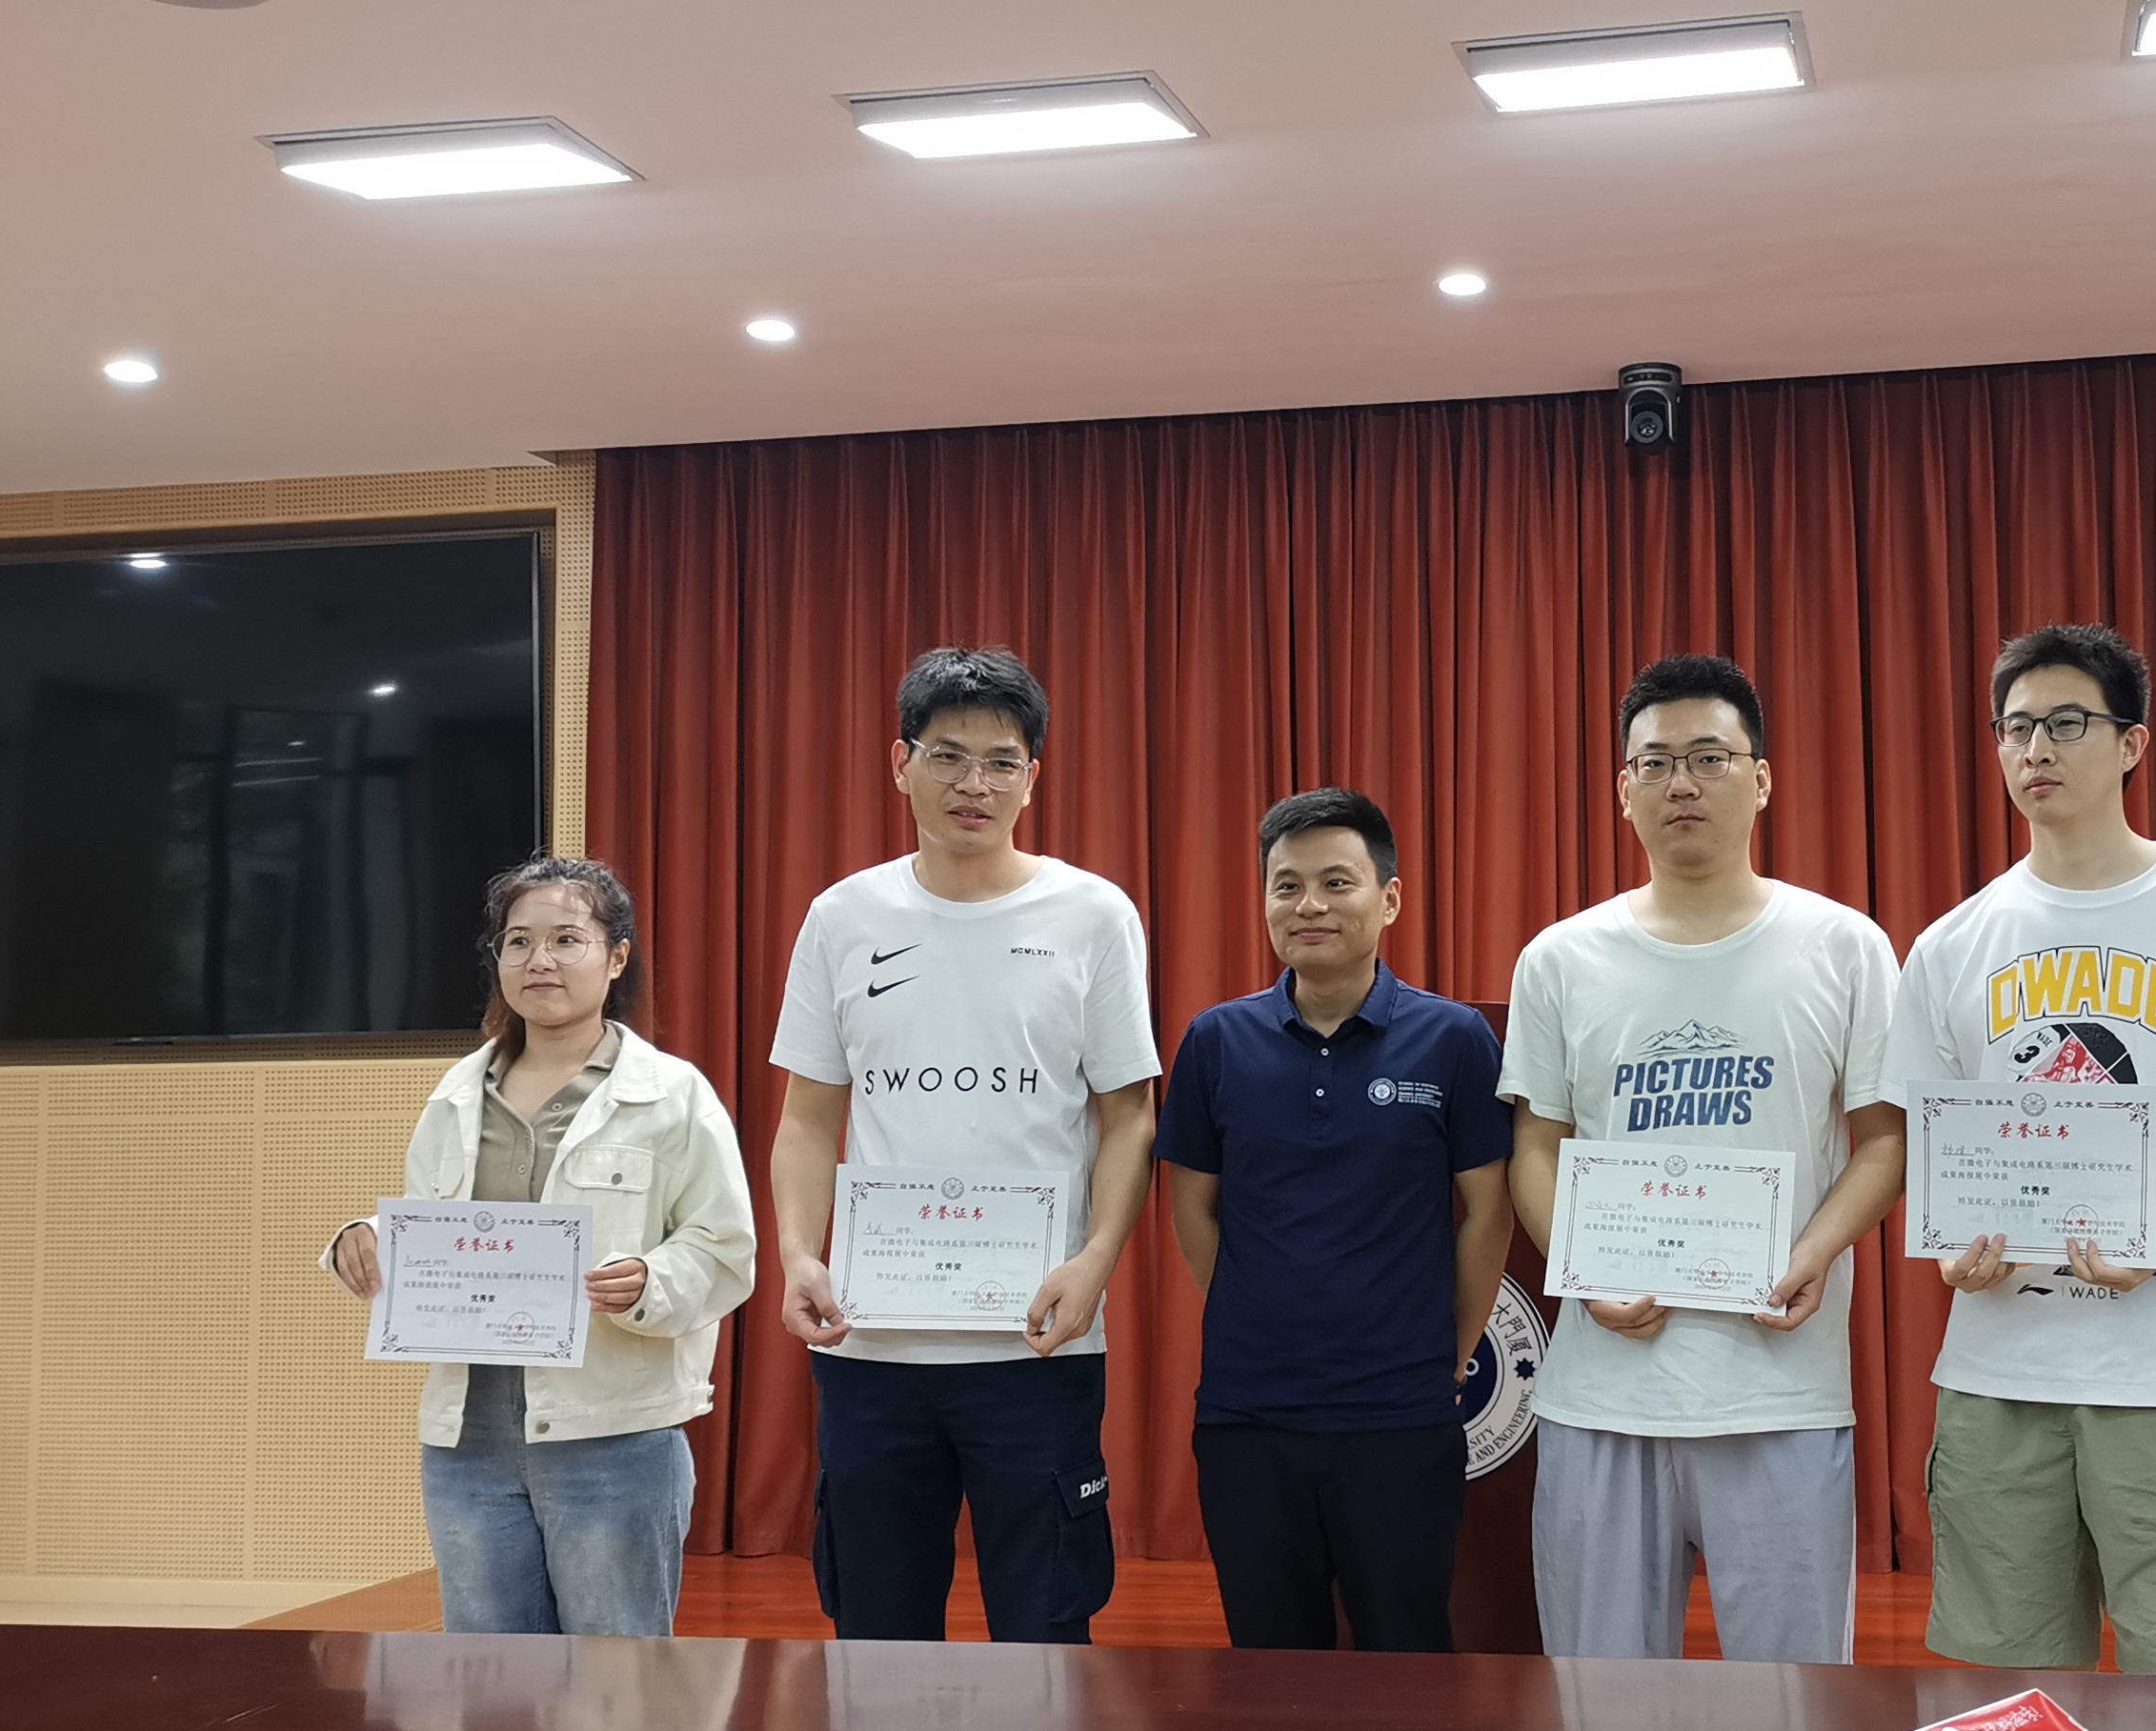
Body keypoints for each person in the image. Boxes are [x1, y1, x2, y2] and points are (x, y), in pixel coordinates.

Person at [1885, 622, 2156, 1678]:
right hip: (1999, 1377)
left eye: (2066, 723)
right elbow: (1929, 1147)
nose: (2034, 748)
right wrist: (1952, 1251)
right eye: (2014, 728)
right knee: (2007, 1705)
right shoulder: (1950, 944)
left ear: (2131, 744)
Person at [1499, 654, 1904, 1664]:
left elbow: (1885, 1139)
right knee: (1597, 1703)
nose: (1681, 782)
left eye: (1709, 758)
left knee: (1795, 1703)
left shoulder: (1843, 945)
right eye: (1656, 762)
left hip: (1778, 1388)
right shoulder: (1560, 957)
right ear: (1623, 789)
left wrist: (1814, 1250)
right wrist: (1582, 1272)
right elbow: (1534, 1149)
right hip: (1602, 1391)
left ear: (1759, 779)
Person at [767, 646, 1161, 1643]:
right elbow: (807, 1116)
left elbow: (1129, 1113)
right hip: (872, 1341)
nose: (972, 784)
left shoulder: (1091, 914)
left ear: (1034, 777)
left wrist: (1095, 1260)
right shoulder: (843, 916)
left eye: (1000, 761)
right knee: (875, 1628)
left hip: (1034, 1338)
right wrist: (800, 1254)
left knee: (1045, 1627)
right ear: (900, 763)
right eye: (947, 755)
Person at [323, 855, 755, 1636]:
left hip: (613, 1431)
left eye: (566, 939)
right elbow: (444, 1228)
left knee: (616, 1675)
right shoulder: (455, 1094)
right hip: (469, 1439)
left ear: (616, 957)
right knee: (490, 1677)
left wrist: (650, 1280)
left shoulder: (672, 1094)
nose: (539, 960)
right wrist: (371, 1238)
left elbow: (724, 1248)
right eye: (518, 942)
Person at [1156, 787, 1516, 1650]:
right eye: (1286, 886)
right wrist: (1255, 1308)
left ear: (1388, 899)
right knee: (1269, 1659)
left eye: (1335, 883)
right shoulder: (1215, 1040)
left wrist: (1452, 1348)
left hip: (1401, 1413)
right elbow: (1193, 1205)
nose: (1308, 905)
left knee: (1405, 1653)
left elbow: (1488, 1212)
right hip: (1247, 1415)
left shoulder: (1453, 1038)